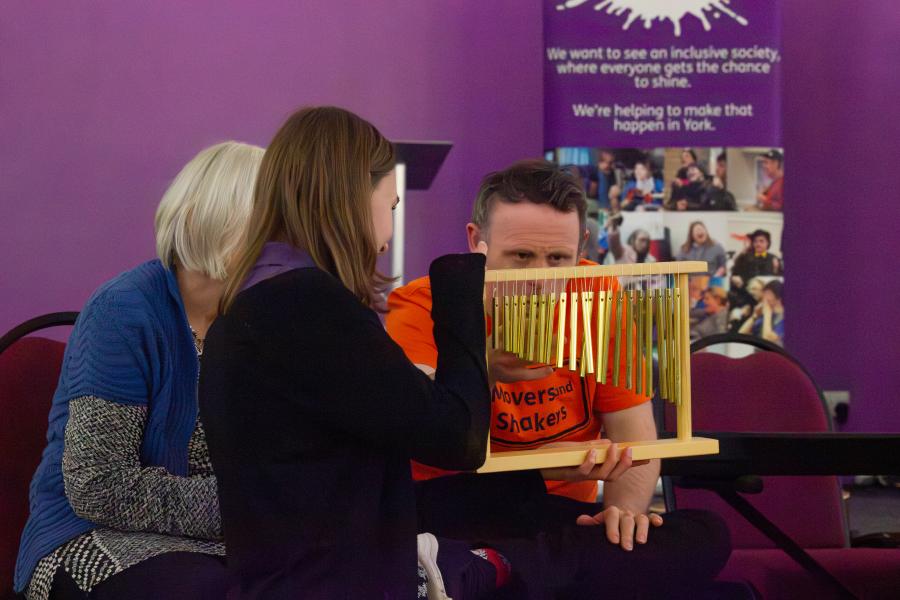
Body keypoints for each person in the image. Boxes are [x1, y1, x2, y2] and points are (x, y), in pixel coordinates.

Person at [387, 160, 733, 598]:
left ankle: (493, 568)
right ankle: (503, 568)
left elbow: (636, 442)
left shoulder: (600, 298)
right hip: (456, 506)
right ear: (477, 242)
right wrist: (487, 371)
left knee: (706, 533)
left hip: (561, 519)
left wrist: (623, 513)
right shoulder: (423, 305)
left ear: (582, 245)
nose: (539, 280)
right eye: (521, 257)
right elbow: (427, 441)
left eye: (557, 259)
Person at [198, 106, 497, 599]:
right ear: (355, 196)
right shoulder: (307, 306)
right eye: (392, 206)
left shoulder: (253, 302)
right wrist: (464, 294)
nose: (388, 236)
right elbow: (458, 439)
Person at [15, 142, 265, 600]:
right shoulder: (124, 310)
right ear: (203, 220)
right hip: (87, 537)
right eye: (267, 223)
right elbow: (97, 485)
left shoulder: (259, 320)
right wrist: (250, 505)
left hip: (218, 541)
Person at [739, 279, 785, 345]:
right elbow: (741, 334)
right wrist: (754, 316)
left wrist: (767, 313)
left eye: (768, 294)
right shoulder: (763, 316)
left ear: (778, 298)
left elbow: (768, 340)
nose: (764, 299)